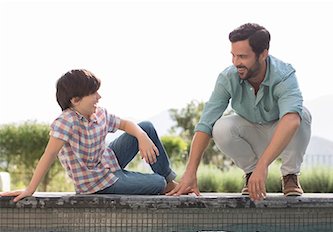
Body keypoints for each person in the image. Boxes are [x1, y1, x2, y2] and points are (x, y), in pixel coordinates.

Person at [168, 23, 312, 201]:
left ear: (263, 54)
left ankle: (290, 176)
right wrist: (190, 172)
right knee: (220, 127)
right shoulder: (227, 77)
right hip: (251, 133)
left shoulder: (284, 75)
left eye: (243, 56)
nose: (236, 62)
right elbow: (205, 124)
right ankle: (251, 174)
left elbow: (291, 120)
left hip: (282, 134)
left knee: (301, 115)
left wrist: (264, 165)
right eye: (233, 55)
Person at [0, 69, 177, 202]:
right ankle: (159, 183)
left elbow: (126, 124)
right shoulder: (66, 122)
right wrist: (30, 189)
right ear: (75, 100)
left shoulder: (98, 113)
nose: (99, 96)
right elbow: (49, 155)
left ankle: (170, 182)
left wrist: (142, 137)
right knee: (157, 183)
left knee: (145, 127)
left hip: (109, 161)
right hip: (96, 183)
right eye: (93, 93)